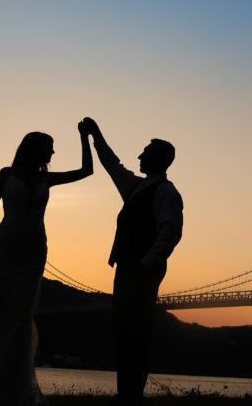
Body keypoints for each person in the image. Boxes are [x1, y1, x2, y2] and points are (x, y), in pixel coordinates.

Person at [0, 123, 94, 405]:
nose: (52, 151)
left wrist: (84, 138)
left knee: (20, 317)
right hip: (3, 248)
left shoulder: (46, 180)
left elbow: (87, 171)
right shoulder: (6, 175)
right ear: (33, 148)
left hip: (33, 252)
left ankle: (10, 388)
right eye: (48, 146)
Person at [82, 117, 183, 406]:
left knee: (136, 331)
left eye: (145, 152)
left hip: (141, 270)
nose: (139, 156)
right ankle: (126, 392)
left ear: (160, 159)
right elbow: (112, 164)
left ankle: (131, 394)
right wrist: (96, 135)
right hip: (128, 267)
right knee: (123, 330)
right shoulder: (136, 187)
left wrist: (144, 264)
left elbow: (170, 234)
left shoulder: (166, 192)